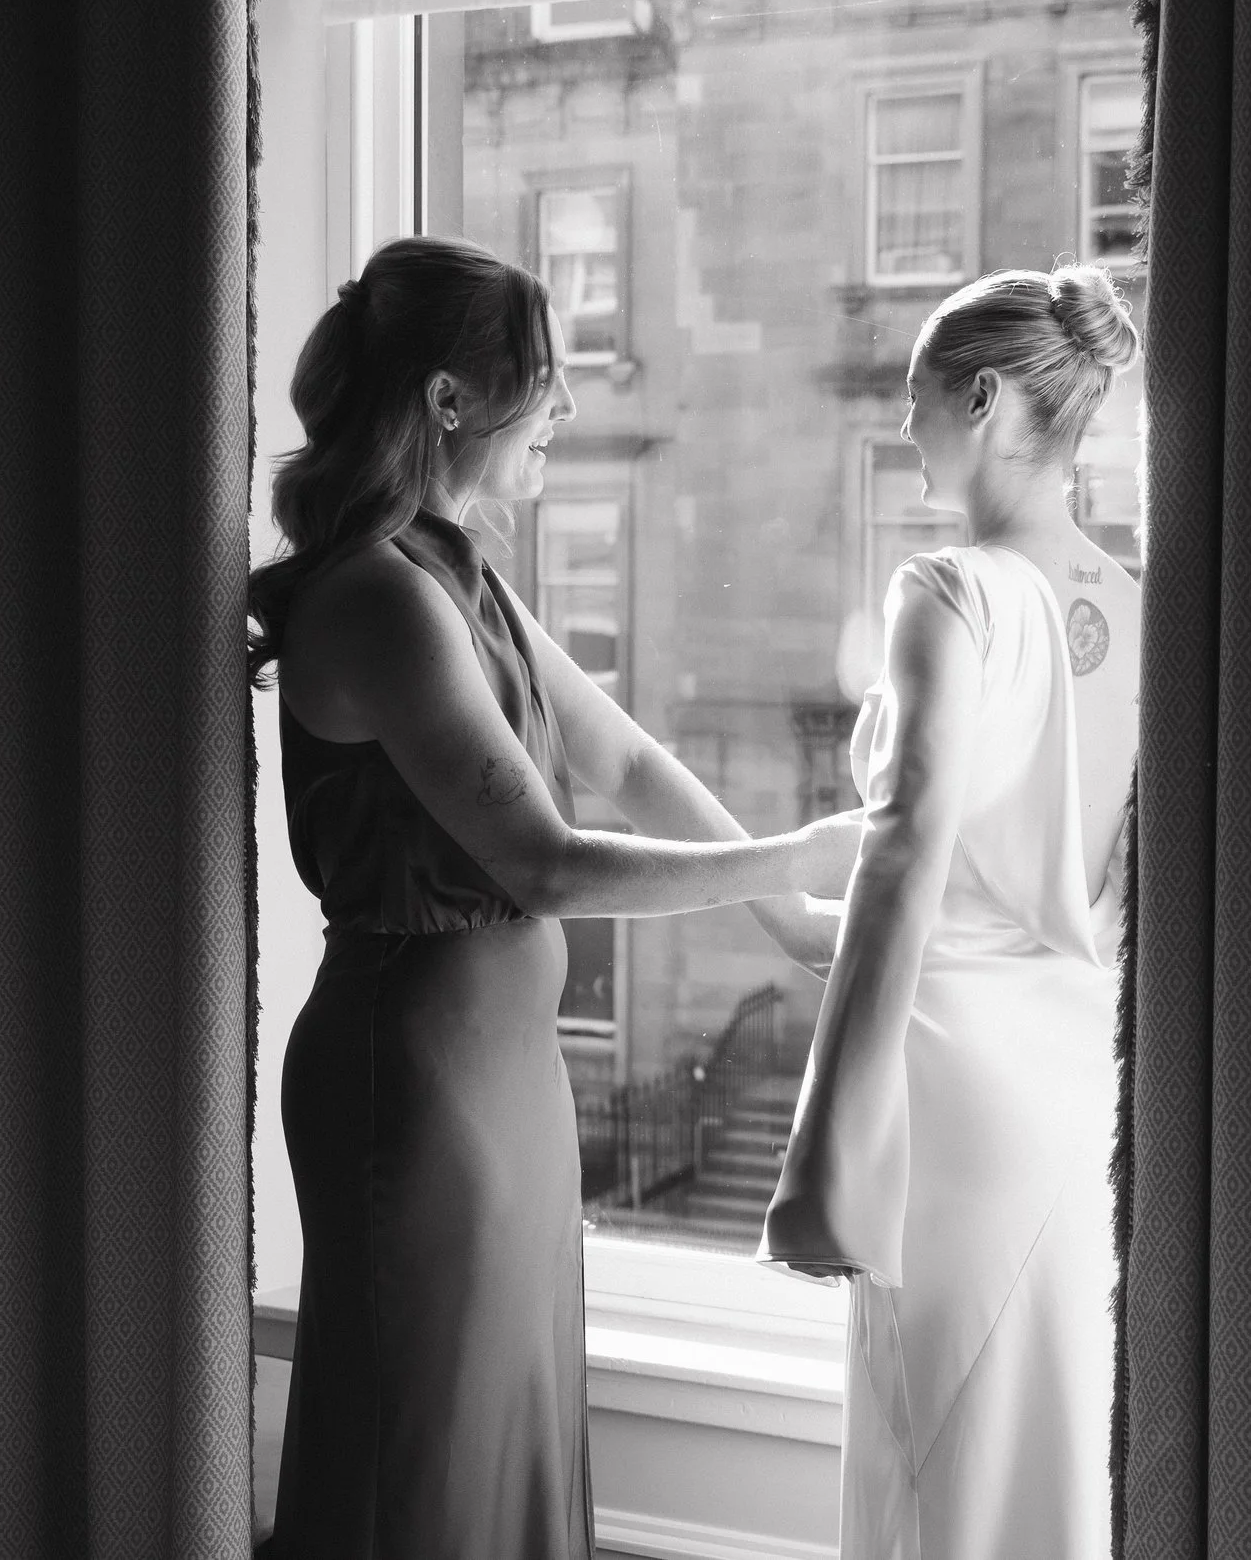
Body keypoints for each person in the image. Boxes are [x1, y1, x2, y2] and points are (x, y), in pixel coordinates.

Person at [247, 235, 853, 1560]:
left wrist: (790, 926)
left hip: (502, 1081)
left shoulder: (462, 572)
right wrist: (795, 856)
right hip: (415, 1084)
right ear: (451, 400)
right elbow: (547, 861)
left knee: (496, 1436)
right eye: (544, 378)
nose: (568, 410)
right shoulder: (381, 600)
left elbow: (625, 760)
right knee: (420, 1461)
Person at [758, 264, 1140, 1558]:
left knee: (935, 1503)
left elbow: (906, 850)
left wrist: (829, 1155)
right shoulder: (1145, 607)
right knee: (1050, 1493)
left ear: (982, 398)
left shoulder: (949, 592)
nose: (904, 427)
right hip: (1080, 1103)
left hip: (950, 1115)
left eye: (917, 400)